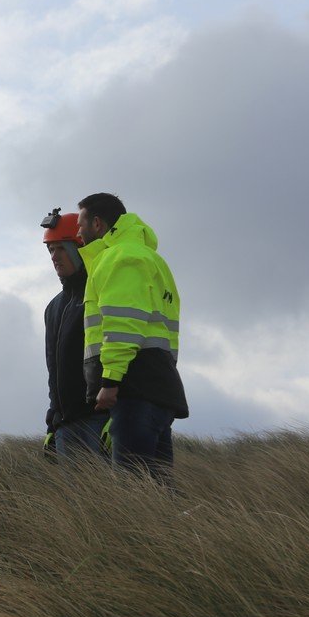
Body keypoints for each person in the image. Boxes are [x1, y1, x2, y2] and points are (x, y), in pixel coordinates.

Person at [76, 193, 188, 486]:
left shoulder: (119, 257)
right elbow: (166, 337)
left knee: (133, 492)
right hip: (159, 386)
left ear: (97, 224)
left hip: (133, 388)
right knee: (160, 489)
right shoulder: (153, 260)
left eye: (81, 225)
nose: (77, 233)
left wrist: (110, 382)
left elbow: (124, 326)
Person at [41, 209, 108, 458]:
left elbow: (123, 350)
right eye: (50, 250)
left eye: (60, 248)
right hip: (65, 427)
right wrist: (53, 424)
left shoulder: (103, 292)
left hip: (100, 420)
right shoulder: (53, 308)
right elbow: (53, 371)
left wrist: (117, 415)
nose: (54, 257)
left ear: (79, 249)